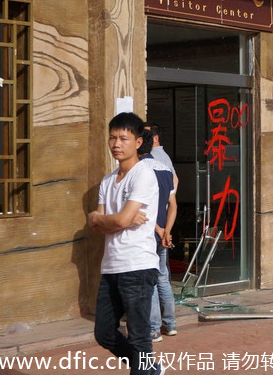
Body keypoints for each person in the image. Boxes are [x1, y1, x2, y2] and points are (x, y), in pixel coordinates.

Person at [88, 112, 162, 375]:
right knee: (104, 332)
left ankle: (146, 369)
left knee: (140, 339)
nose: (116, 144)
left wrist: (112, 219)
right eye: (112, 138)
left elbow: (112, 220)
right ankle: (150, 370)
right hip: (111, 267)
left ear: (138, 142)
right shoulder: (108, 181)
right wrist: (116, 219)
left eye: (123, 138)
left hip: (138, 266)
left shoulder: (144, 174)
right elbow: (96, 223)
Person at [138, 129, 178, 342]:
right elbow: (173, 204)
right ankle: (170, 324)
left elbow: (142, 209)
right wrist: (167, 230)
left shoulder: (138, 170)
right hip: (163, 231)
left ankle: (154, 329)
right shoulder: (164, 169)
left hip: (147, 233)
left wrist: (158, 230)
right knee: (163, 277)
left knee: (151, 280)